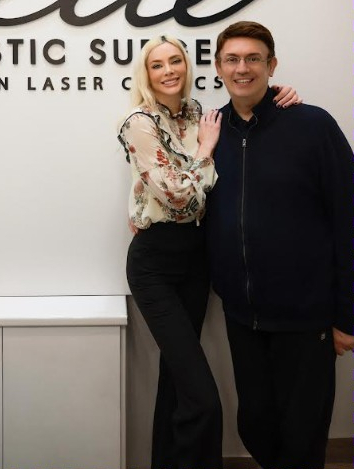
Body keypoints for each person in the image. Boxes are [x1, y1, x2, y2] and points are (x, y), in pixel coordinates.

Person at [118, 34, 299, 469]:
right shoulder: (138, 123)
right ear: (146, 74)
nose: (168, 71)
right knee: (203, 398)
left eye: (175, 61)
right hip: (155, 264)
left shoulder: (200, 114)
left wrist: (281, 95)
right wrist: (204, 150)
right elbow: (180, 198)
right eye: (157, 65)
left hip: (197, 258)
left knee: (177, 380)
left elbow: (245, 111)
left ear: (187, 66)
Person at [206, 20, 354, 469]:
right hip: (242, 317)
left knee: (303, 436)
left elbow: (348, 217)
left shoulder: (312, 125)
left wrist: (347, 315)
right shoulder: (211, 131)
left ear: (272, 66)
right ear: (218, 67)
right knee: (256, 425)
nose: (242, 68)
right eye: (232, 59)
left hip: (306, 317)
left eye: (254, 58)